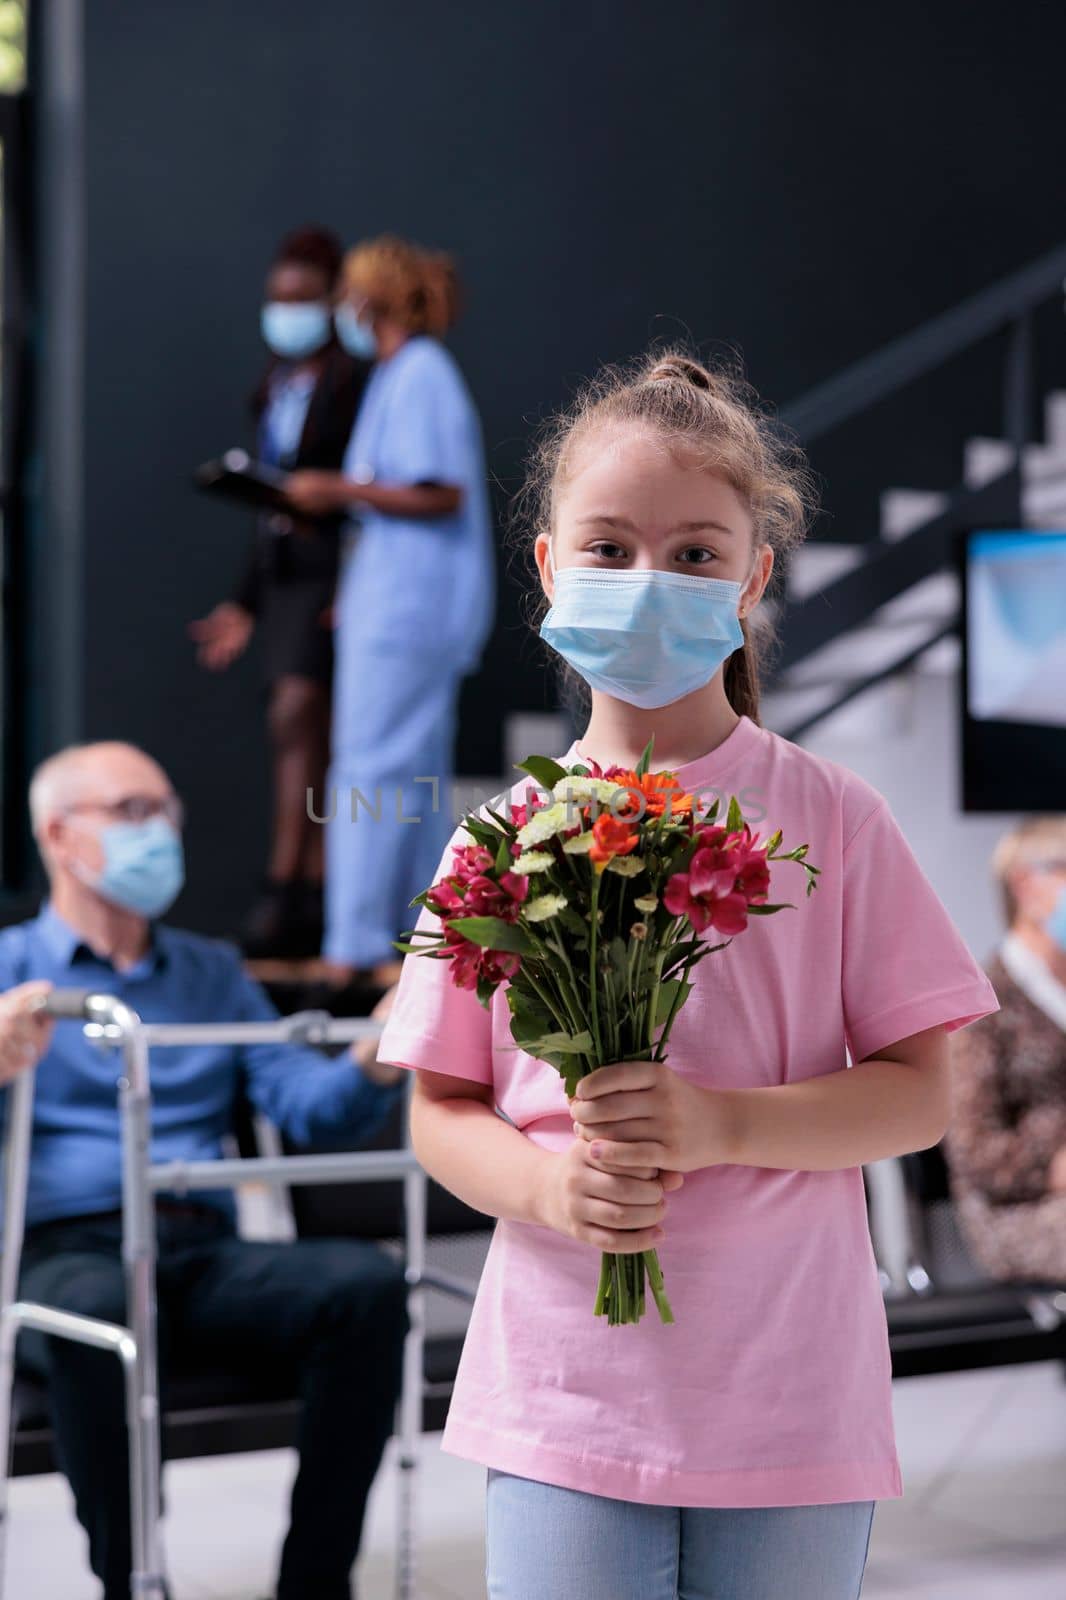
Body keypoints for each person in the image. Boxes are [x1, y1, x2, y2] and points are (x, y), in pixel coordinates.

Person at [374, 350, 1000, 1600]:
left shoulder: (833, 818)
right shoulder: (497, 840)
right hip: (565, 1389)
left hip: (791, 1394)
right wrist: (554, 1193)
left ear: (754, 579)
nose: (647, 580)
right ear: (549, 568)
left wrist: (722, 1122)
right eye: (606, 547)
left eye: (696, 552)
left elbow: (919, 1095)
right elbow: (440, 1108)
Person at [0, 741, 407, 1600]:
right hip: (68, 1256)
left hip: (197, 1250)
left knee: (363, 1287)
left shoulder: (211, 973)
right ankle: (133, 1583)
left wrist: (373, 1059)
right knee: (99, 1312)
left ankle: (315, 1585)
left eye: (166, 811)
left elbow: (301, 1103)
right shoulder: (10, 974)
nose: (161, 832)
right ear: (59, 836)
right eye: (132, 811)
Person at [283, 234, 495, 996]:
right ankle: (422, 936)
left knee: (371, 771)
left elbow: (442, 491)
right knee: (413, 777)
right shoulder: (401, 376)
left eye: (345, 293)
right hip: (396, 600)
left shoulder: (422, 375)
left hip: (412, 608)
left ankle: (354, 943)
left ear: (366, 298)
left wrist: (334, 492)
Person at [189, 226, 372, 960]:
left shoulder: (354, 384)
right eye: (278, 299)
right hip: (288, 579)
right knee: (295, 727)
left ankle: (305, 888)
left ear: (331, 303)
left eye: (303, 299)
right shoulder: (274, 387)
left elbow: (363, 494)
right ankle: (295, 887)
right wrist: (244, 602)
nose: (288, 312)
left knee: (315, 725)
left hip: (337, 575)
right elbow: (272, 509)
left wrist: (355, 581)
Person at [943, 815, 1066, 1280]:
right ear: (1024, 885)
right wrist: (1055, 1166)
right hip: (1023, 1214)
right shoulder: (981, 1004)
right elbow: (978, 1154)